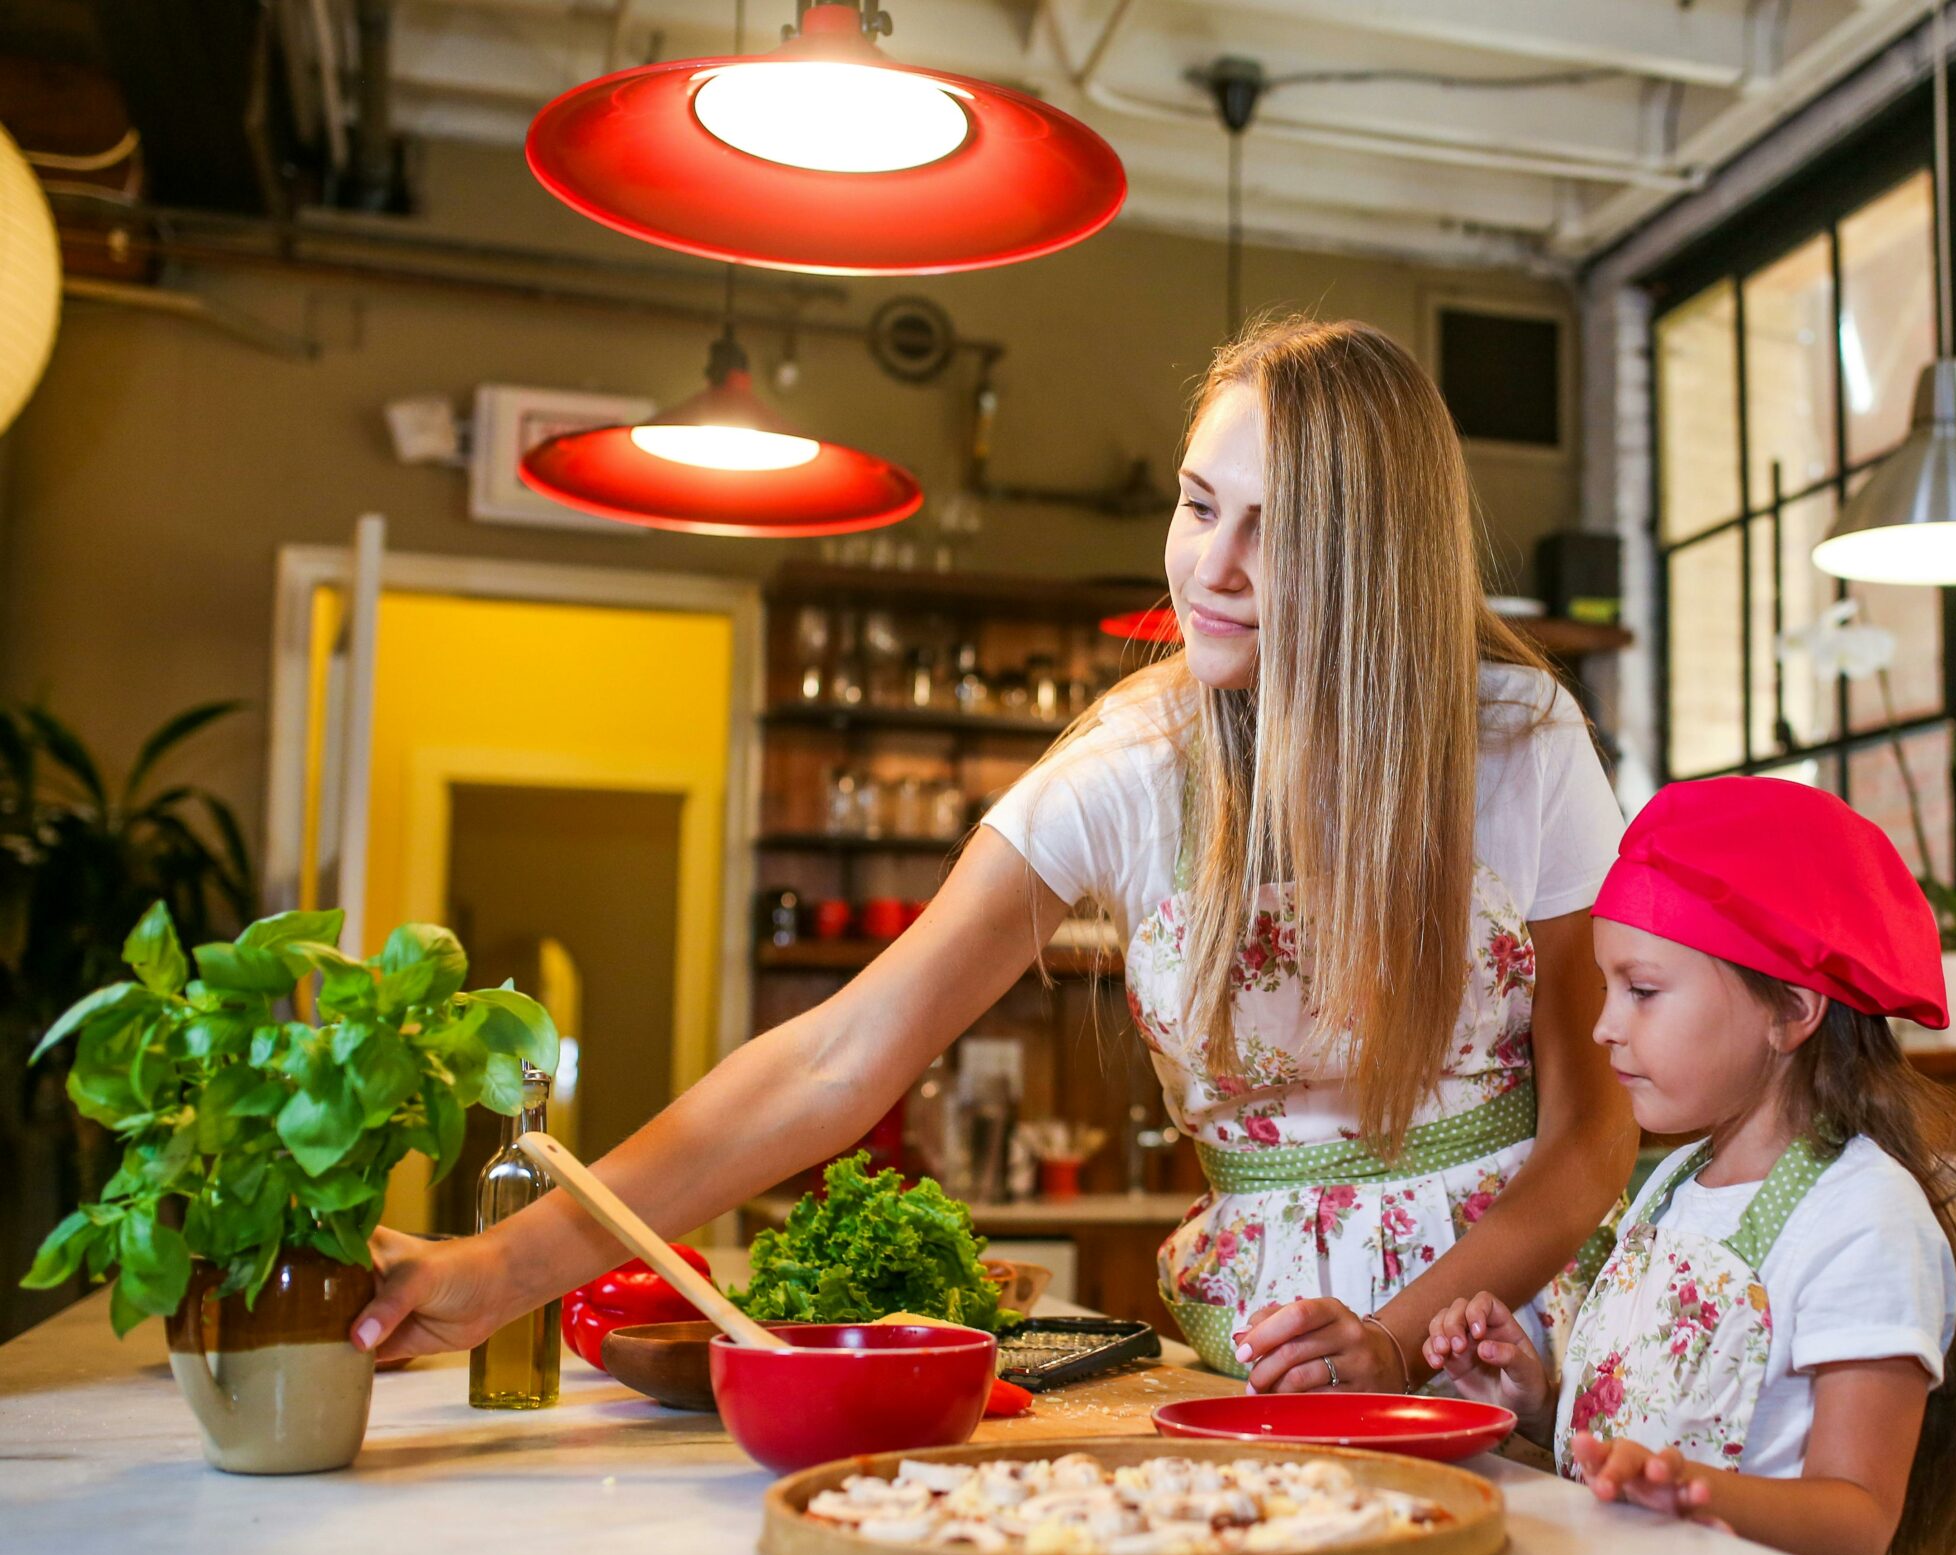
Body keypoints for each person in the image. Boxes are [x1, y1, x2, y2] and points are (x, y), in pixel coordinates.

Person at [352, 316, 1636, 1396]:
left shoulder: (1518, 742)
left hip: (1503, 1331)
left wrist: (1400, 1339)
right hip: (1264, 1346)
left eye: (1276, 530)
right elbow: (837, 1056)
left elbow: (1591, 1136)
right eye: (1199, 507)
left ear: (1375, 556)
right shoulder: (1133, 763)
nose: (1216, 570)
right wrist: (499, 1268)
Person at [1421, 777, 1956, 1555]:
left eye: (1644, 989)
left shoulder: (1862, 1217)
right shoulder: (1670, 1184)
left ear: (1792, 1008)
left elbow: (1859, 1518)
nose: (1604, 1026)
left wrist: (1695, 1496)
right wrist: (1538, 1404)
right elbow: (1654, 1435)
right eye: (1605, 987)